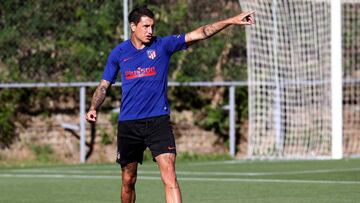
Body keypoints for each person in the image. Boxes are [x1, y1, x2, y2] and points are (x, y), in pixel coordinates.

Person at [86, 5, 254, 203]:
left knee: (170, 176)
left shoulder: (163, 45)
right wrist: (93, 107)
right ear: (133, 26)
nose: (150, 31)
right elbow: (104, 86)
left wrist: (230, 21)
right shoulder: (118, 53)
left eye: (152, 26)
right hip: (129, 123)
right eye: (146, 26)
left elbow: (200, 33)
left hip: (158, 121)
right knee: (128, 180)